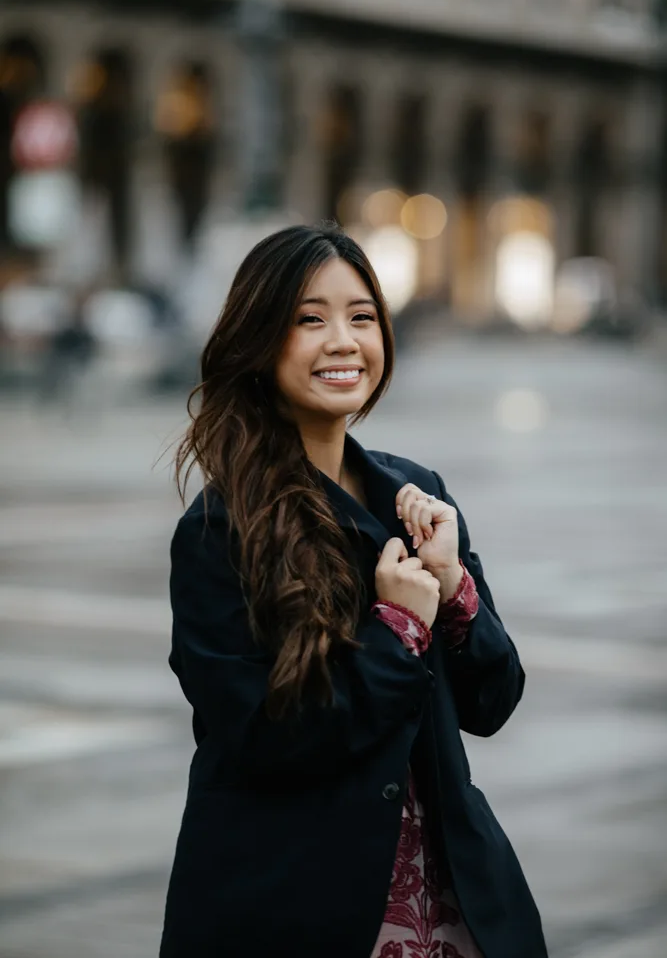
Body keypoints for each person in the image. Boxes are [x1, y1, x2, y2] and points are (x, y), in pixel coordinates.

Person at [160, 223, 548, 958]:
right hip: (291, 907)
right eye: (310, 319)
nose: (343, 341)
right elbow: (273, 741)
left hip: (448, 906)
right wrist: (398, 625)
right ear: (258, 341)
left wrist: (453, 587)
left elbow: (492, 702)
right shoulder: (220, 530)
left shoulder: (415, 494)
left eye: (361, 316)